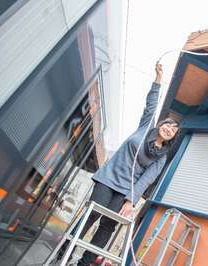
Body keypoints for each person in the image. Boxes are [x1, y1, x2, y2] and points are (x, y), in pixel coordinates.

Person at [58, 63, 180, 265]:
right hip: (108, 179)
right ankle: (63, 254)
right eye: (168, 124)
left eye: (174, 129)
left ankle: (85, 262)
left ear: (172, 137)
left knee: (108, 225)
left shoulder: (162, 156)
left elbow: (147, 179)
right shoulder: (145, 128)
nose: (169, 128)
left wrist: (130, 200)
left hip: (126, 190)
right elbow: (150, 105)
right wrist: (158, 79)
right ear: (160, 124)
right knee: (92, 215)